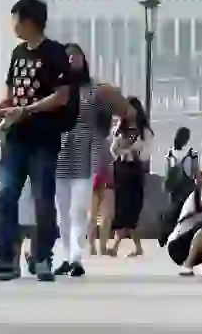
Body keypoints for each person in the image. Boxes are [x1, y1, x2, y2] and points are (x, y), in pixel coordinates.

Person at [0, 0, 74, 282]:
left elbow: (62, 96)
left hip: (43, 138)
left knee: (43, 198)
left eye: (14, 18)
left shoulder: (55, 53)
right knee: (5, 195)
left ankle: (42, 256)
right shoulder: (18, 54)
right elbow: (10, 95)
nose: (12, 24)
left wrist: (27, 109)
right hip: (15, 138)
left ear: (28, 20)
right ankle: (5, 258)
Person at [54, 44, 131, 276]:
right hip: (59, 154)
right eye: (68, 58)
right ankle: (66, 255)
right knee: (62, 211)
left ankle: (76, 257)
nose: (72, 62)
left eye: (76, 58)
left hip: (85, 154)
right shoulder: (56, 89)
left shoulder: (94, 90)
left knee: (79, 208)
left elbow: (116, 113)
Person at [108, 97, 150, 257]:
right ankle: (121, 246)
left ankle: (117, 245)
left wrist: (132, 151)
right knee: (122, 209)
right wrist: (124, 150)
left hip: (135, 171)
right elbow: (113, 150)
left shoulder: (144, 132)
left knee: (131, 209)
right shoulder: (119, 128)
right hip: (121, 170)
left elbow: (145, 154)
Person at [89, 114, 117, 256]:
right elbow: (111, 160)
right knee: (106, 216)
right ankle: (102, 247)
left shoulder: (88, 139)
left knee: (92, 216)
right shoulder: (107, 141)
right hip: (105, 180)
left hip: (91, 179)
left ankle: (92, 247)